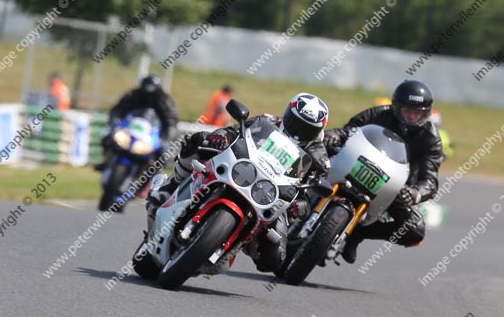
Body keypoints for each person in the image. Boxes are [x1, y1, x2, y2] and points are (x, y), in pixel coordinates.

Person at [148, 93, 330, 273]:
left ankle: (232, 245)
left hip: (272, 194)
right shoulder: (268, 121)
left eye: (307, 129)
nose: (298, 131)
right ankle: (169, 187)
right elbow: (235, 131)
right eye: (296, 123)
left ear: (317, 131)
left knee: (275, 258)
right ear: (288, 115)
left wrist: (298, 207)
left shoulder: (320, 159)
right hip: (243, 169)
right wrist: (221, 137)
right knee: (197, 142)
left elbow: (310, 196)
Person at [323, 80, 443, 264]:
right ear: (397, 107)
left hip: (394, 185)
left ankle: (357, 233)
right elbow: (350, 129)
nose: (411, 117)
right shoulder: (379, 114)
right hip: (356, 164)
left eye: (416, 113)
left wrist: (415, 193)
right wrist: (335, 135)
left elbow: (430, 180)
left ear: (425, 114)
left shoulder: (431, 138)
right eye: (407, 111)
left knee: (414, 231)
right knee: (319, 156)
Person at [94, 75, 178, 171]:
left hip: (152, 132)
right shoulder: (133, 95)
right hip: (130, 127)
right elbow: (118, 109)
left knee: (164, 151)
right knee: (108, 136)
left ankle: (152, 172)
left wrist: (165, 138)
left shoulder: (164, 101)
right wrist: (114, 123)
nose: (148, 95)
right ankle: (106, 159)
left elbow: (171, 121)